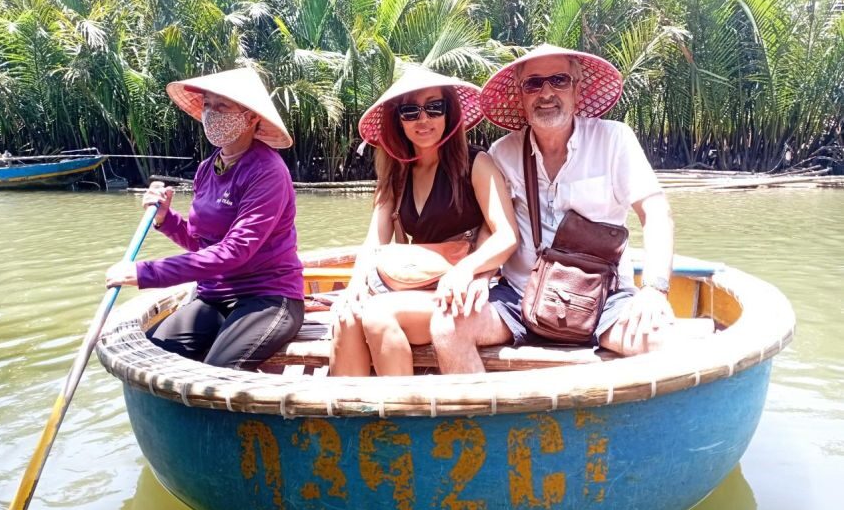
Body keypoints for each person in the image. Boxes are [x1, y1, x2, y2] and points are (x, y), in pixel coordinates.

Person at [430, 44, 677, 373]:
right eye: (533, 83)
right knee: (448, 324)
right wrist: (481, 276)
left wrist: (654, 289)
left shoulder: (615, 140)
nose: (546, 92)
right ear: (521, 96)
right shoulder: (503, 153)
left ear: (577, 88)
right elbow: (496, 225)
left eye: (559, 80)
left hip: (605, 298)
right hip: (520, 297)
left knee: (661, 341)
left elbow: (656, 214)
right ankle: (483, 423)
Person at [105, 68, 304, 370]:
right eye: (208, 105)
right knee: (153, 357)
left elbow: (235, 252)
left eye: (222, 106)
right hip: (213, 296)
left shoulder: (267, 171)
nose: (211, 113)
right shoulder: (207, 168)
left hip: (267, 296)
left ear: (251, 118)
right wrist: (165, 219)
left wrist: (147, 272)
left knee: (218, 373)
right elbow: (202, 243)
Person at [330, 67, 518, 376]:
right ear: (397, 119)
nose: (423, 119)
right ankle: (351, 417)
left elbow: (506, 235)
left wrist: (464, 272)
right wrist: (352, 287)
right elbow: (375, 240)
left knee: (377, 315)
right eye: (410, 111)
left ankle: (401, 418)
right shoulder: (396, 174)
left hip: (457, 290)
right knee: (347, 317)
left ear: (448, 112)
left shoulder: (475, 163)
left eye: (434, 107)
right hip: (410, 284)